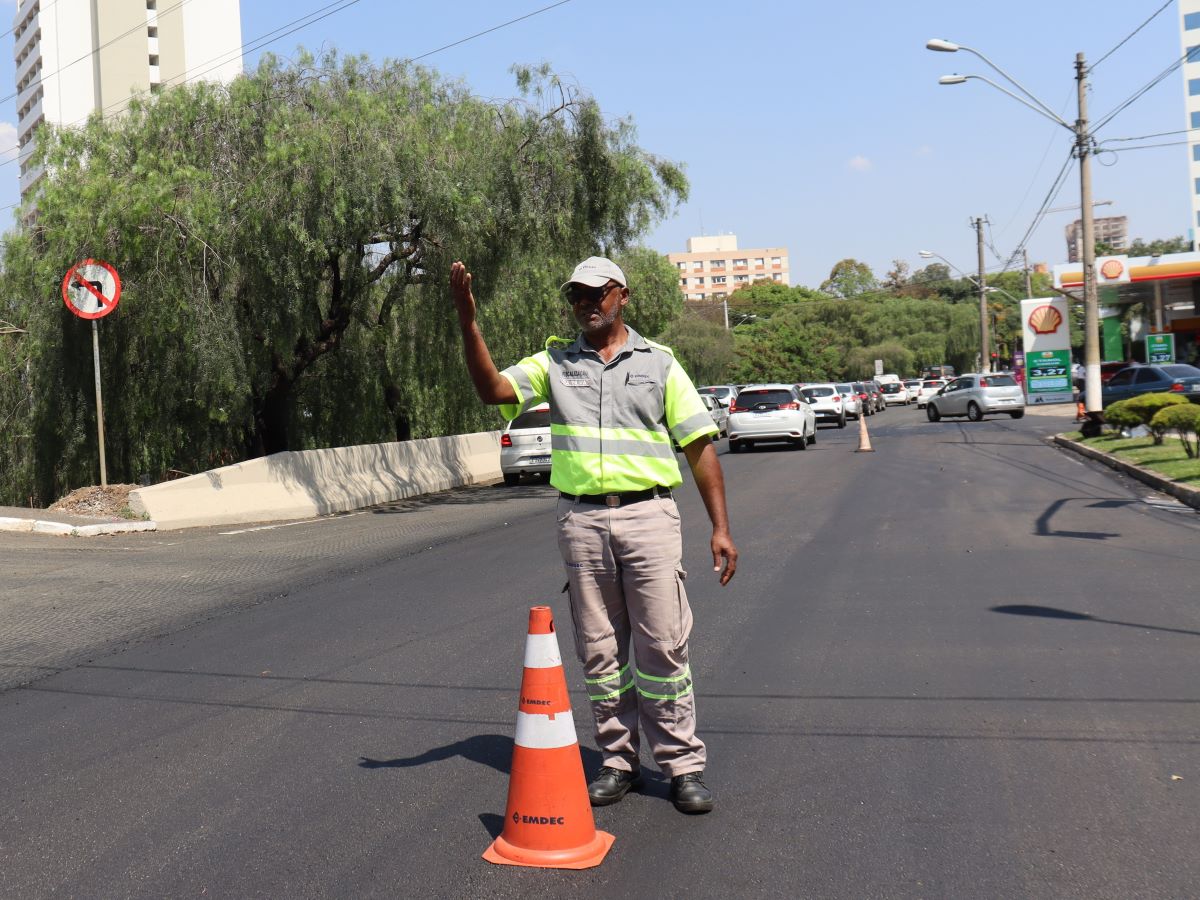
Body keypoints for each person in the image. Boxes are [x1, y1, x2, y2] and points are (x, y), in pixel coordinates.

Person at [450, 255, 738, 815]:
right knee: (601, 651)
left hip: (649, 517)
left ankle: (681, 767)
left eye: (596, 293)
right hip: (582, 523)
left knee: (663, 647)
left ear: (622, 296)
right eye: (576, 295)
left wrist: (721, 529)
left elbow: (700, 447)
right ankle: (618, 762)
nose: (585, 303)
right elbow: (492, 390)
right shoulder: (554, 362)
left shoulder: (660, 364)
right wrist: (468, 322)